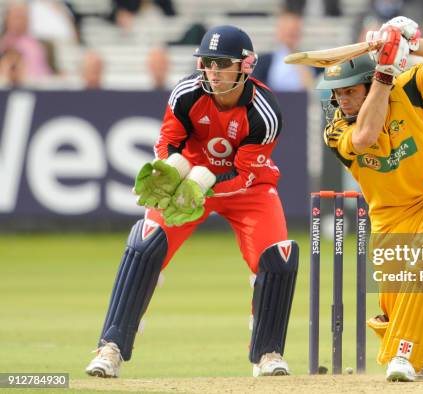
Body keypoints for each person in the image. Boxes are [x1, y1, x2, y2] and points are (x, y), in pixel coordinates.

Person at [85, 25, 299, 378]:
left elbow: (245, 174)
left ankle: (268, 353)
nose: (213, 72)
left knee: (276, 256)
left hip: (248, 189)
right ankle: (111, 347)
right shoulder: (186, 92)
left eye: (222, 64)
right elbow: (167, 142)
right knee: (145, 242)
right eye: (208, 63)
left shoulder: (265, 112)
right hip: (188, 182)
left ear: (245, 66)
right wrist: (170, 171)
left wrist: (204, 186)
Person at [316, 17, 423, 382]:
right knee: (393, 313)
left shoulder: (407, 87)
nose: (341, 100)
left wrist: (411, 43)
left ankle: (403, 355)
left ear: (368, 84)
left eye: (349, 91)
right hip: (390, 218)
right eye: (336, 93)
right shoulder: (337, 129)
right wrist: (383, 75)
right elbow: (366, 137)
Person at [252, 11, 314, 92]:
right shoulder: (263, 61)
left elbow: (310, 87)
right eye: (287, 29)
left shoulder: (311, 61)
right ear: (279, 32)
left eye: (295, 30)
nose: (291, 33)